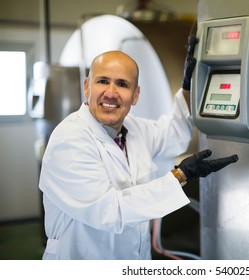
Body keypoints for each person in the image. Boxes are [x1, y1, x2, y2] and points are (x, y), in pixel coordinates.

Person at [38, 38, 238, 259]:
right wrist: (180, 175)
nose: (111, 93)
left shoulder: (133, 129)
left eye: (122, 84)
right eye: (103, 81)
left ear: (135, 95)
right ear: (87, 86)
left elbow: (173, 135)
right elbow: (109, 212)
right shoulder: (70, 139)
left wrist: (188, 87)